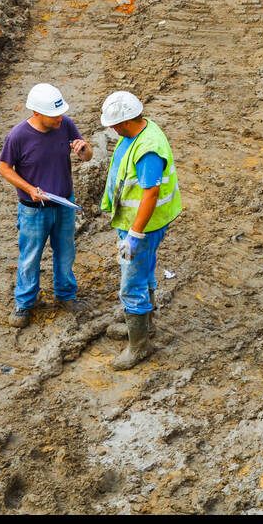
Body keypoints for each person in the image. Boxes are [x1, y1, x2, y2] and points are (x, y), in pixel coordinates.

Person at [0, 83, 92, 328]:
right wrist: (30, 189)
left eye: (61, 113)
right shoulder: (17, 136)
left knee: (66, 252)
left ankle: (66, 295)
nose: (60, 118)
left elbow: (87, 155)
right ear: (37, 113)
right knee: (30, 257)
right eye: (55, 115)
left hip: (64, 203)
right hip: (33, 209)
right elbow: (4, 169)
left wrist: (84, 150)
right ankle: (24, 303)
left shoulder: (66, 125)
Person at [100, 91, 182, 370]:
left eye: (113, 124)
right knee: (144, 273)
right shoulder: (138, 132)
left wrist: (134, 235)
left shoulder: (148, 149)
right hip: (135, 224)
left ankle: (139, 346)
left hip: (142, 228)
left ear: (123, 123)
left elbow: (150, 194)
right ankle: (145, 328)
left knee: (132, 282)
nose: (110, 129)